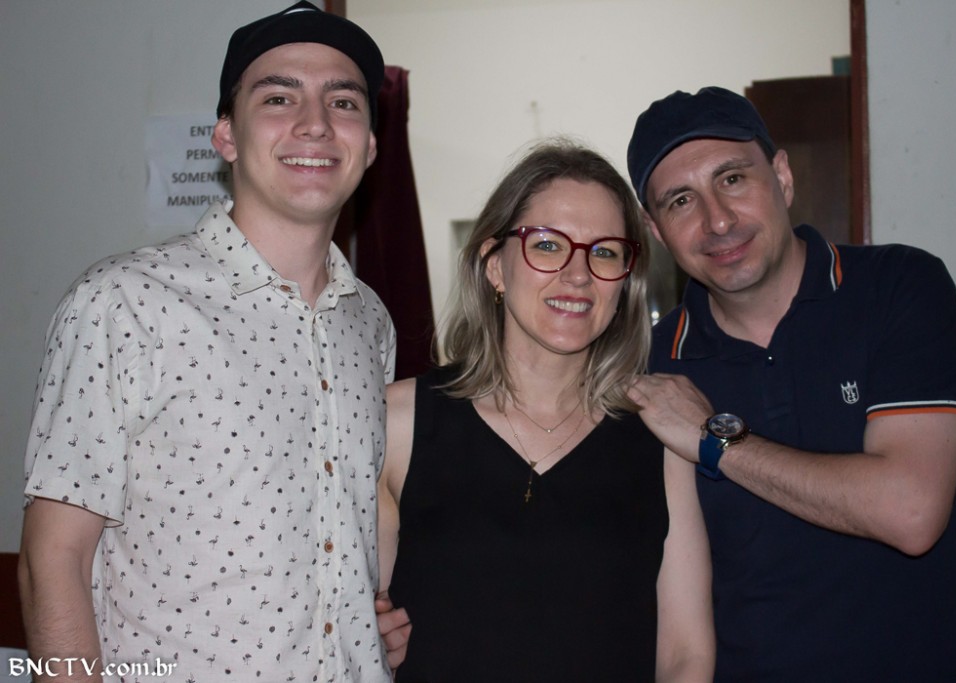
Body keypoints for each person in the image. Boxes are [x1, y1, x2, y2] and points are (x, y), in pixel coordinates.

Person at [19, 3, 398, 681]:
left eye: (343, 102)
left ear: (368, 145)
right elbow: (53, 561)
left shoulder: (369, 322)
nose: (315, 122)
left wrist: (362, 627)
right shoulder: (124, 304)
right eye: (278, 97)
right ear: (226, 136)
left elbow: (344, 533)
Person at [625, 86, 956, 682]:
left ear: (783, 177)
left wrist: (715, 440)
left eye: (733, 179)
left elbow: (911, 511)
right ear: (656, 231)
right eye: (681, 200)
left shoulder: (899, 288)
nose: (718, 220)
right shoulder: (653, 368)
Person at [376, 140, 714, 682]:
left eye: (604, 252)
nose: (579, 275)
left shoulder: (658, 434)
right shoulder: (398, 422)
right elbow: (354, 622)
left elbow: (686, 656)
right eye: (549, 245)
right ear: (495, 266)